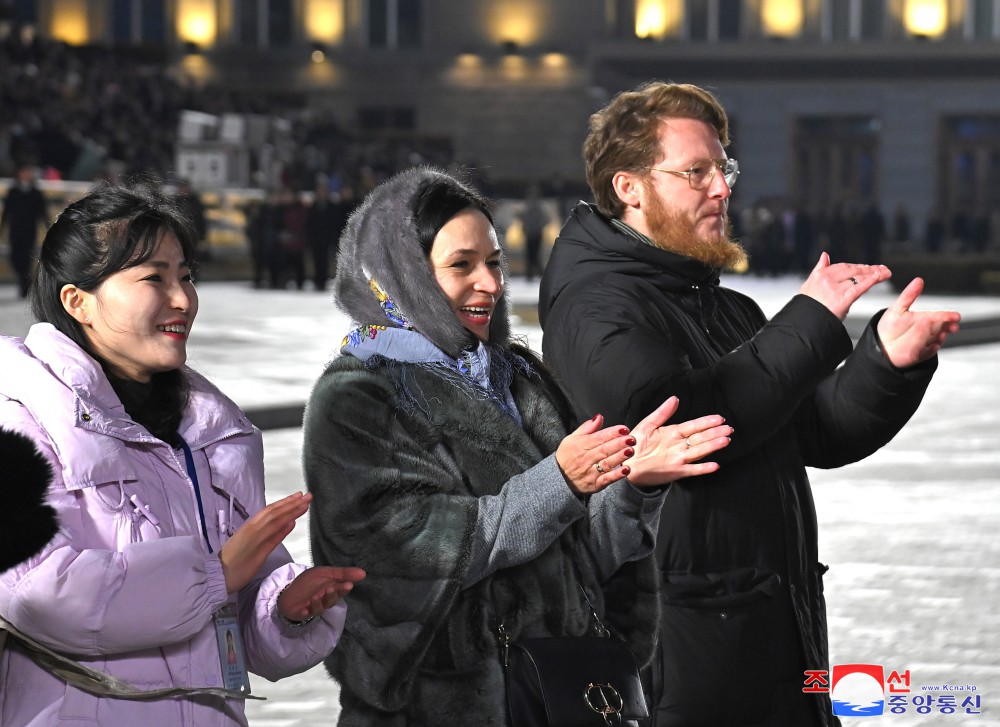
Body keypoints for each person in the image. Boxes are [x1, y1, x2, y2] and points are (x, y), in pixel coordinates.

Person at [537, 82, 961, 727]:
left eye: (723, 167)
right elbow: (683, 422)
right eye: (696, 171)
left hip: (774, 626)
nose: (722, 187)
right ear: (629, 187)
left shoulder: (723, 306)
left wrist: (883, 362)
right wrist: (810, 321)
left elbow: (814, 432)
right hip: (685, 645)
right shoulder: (597, 306)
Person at [302, 167, 734, 725]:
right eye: (462, 265)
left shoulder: (518, 377)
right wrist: (561, 481)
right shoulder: (359, 398)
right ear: (397, 276)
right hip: (443, 708)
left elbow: (577, 557)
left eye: (494, 261)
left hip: (556, 692)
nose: (491, 283)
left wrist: (631, 487)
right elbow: (407, 557)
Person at [0, 181, 366, 726]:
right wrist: (216, 574)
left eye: (186, 275)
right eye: (154, 277)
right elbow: (38, 595)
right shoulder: (22, 414)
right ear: (78, 301)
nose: (183, 298)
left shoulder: (212, 431)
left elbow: (240, 621)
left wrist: (285, 607)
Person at [1, 165, 49, 298]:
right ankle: (25, 280)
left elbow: (42, 212)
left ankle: (24, 285)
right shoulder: (13, 192)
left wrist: (47, 226)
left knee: (27, 259)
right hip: (15, 232)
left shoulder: (35, 192)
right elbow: (7, 212)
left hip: (29, 231)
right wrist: (3, 228)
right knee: (15, 257)